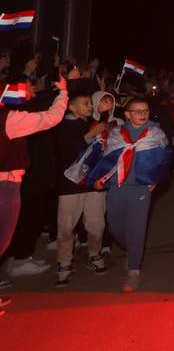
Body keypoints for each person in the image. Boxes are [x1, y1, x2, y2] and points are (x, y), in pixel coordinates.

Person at [85, 97, 171, 293]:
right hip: (117, 187)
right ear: (127, 114)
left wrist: (156, 179)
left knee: (137, 228)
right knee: (115, 226)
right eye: (137, 111)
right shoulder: (116, 133)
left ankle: (134, 270)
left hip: (141, 188)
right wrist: (100, 178)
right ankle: (131, 248)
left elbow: (165, 159)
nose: (143, 115)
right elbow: (106, 157)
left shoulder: (156, 134)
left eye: (145, 111)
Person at [0, 74, 67, 315]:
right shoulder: (8, 119)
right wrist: (63, 93)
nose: (27, 92)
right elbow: (50, 118)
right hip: (5, 185)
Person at [52, 93, 108, 286]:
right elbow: (66, 152)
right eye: (85, 104)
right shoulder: (62, 126)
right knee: (66, 226)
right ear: (72, 107)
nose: (90, 106)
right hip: (69, 184)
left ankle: (95, 254)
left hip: (93, 182)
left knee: (96, 223)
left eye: (90, 103)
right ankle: (64, 263)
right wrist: (90, 135)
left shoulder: (94, 123)